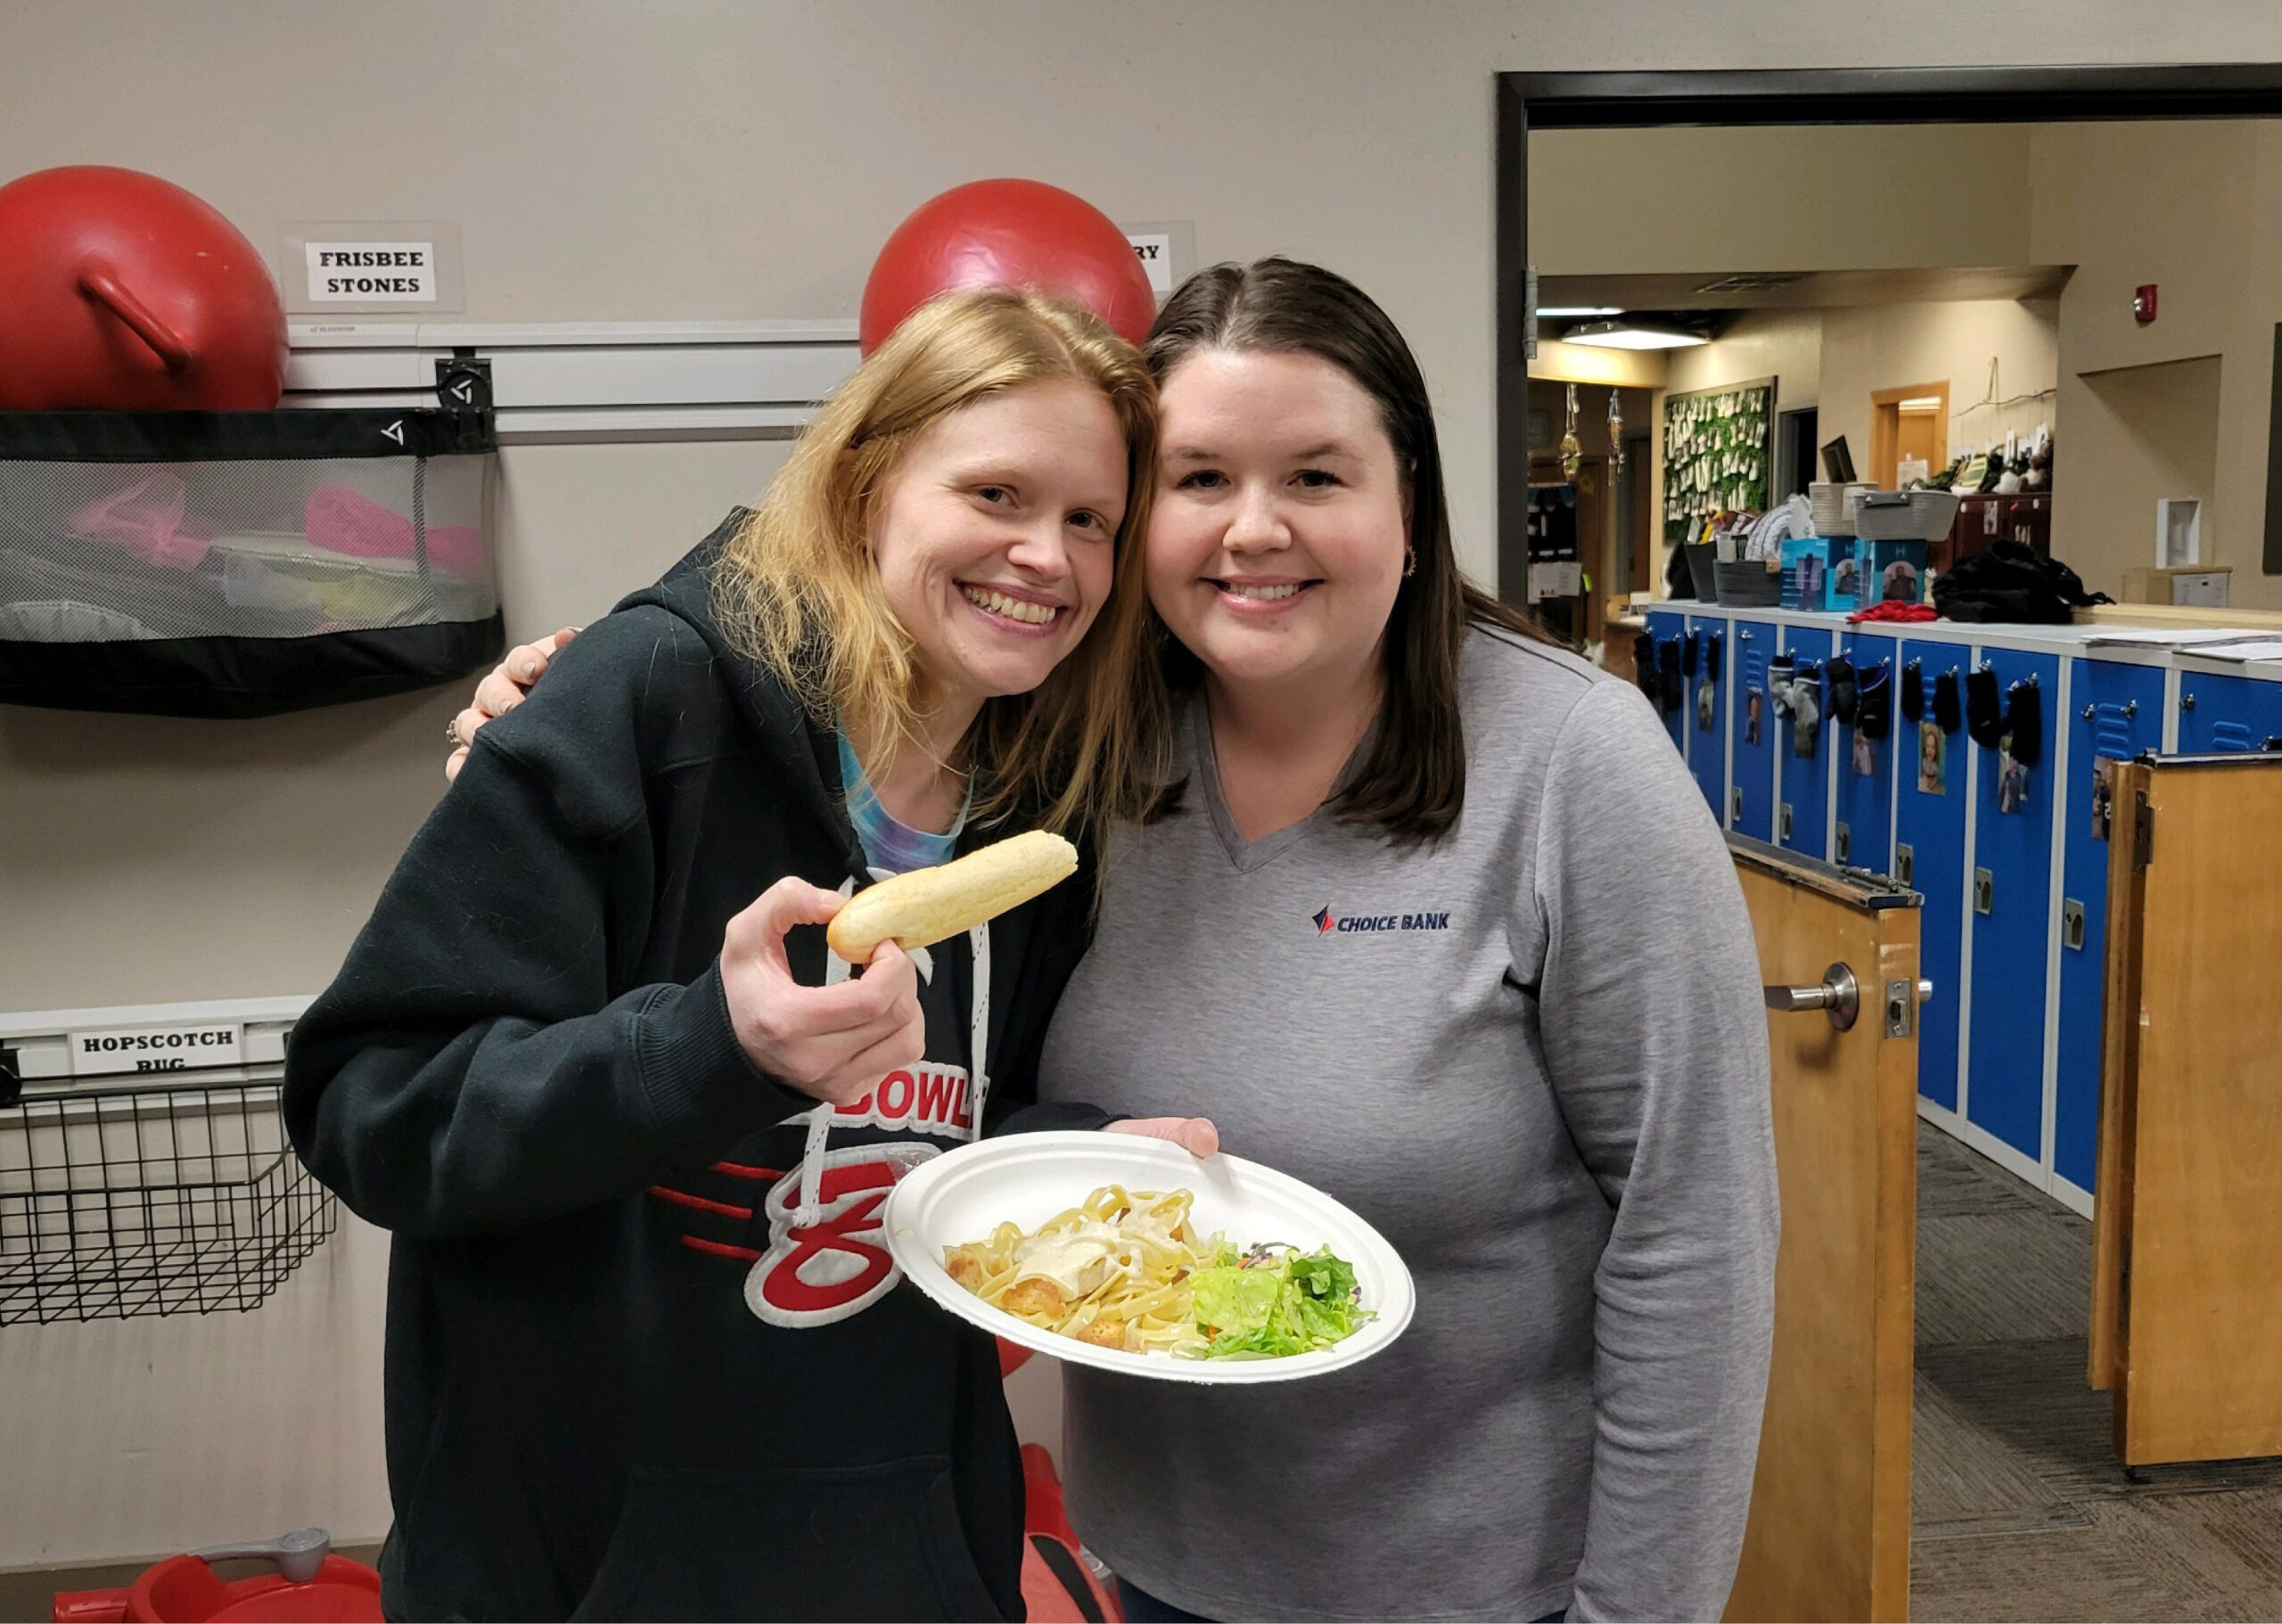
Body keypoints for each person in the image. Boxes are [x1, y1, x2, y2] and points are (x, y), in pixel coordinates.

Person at [462, 259, 1780, 1623]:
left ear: (1410, 505)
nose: (1253, 529)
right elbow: (846, 685)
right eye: (1201, 479)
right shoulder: (1076, 744)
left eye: (1317, 476)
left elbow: (1696, 1241)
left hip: (1475, 1589)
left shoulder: (1573, 764)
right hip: (1151, 1564)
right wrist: (585, 698)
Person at [288, 288, 1214, 1622]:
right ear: (864, 487)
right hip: (594, 1556)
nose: (1046, 556)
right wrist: (705, 1052)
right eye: (996, 494)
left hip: (897, 1538)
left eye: (1091, 521)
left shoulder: (1045, 793)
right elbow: (373, 1106)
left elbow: (948, 1118)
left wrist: (1083, 1155)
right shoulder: (643, 700)